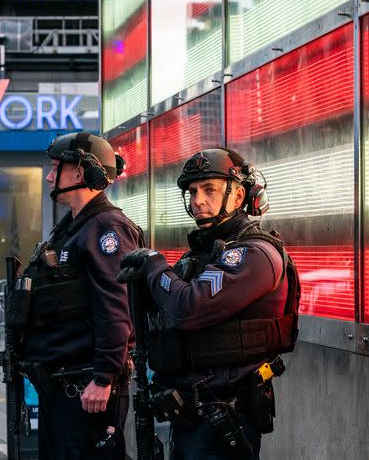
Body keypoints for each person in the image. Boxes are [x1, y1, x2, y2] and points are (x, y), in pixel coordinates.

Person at [119, 148, 300, 459]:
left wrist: (153, 263)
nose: (197, 200)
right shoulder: (201, 255)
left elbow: (188, 308)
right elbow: (164, 311)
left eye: (209, 189)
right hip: (187, 413)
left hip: (223, 417)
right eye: (192, 191)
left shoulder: (254, 254)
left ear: (239, 194)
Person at [12, 132, 142, 460]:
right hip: (63, 386)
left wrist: (103, 377)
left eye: (57, 167)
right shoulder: (72, 228)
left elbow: (116, 308)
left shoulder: (106, 228)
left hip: (86, 389)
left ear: (81, 172)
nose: (50, 175)